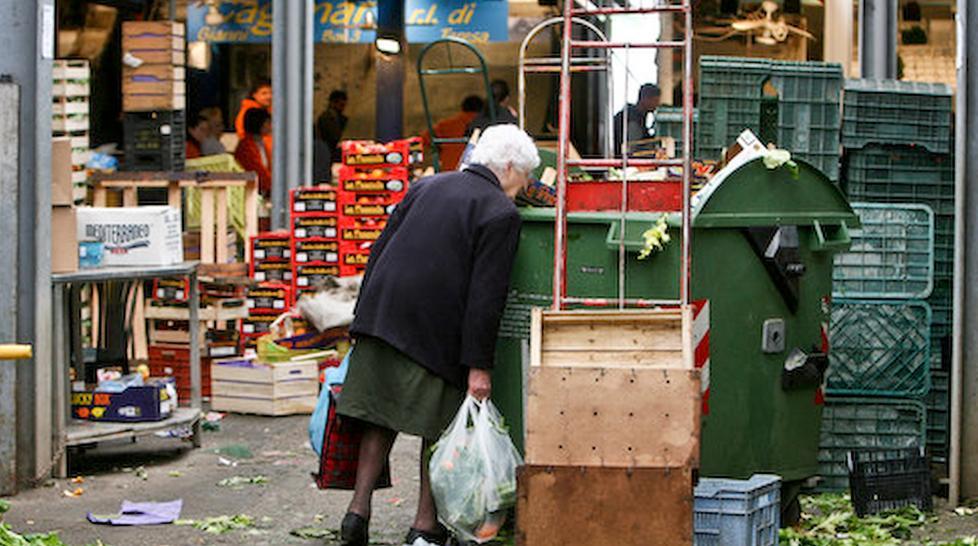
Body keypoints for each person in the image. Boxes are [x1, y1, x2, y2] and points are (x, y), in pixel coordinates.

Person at [335, 124, 540, 546]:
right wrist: (479, 367)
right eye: (524, 178)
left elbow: (379, 250)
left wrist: (362, 319)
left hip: (381, 315)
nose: (524, 188)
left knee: (378, 416)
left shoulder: (427, 186)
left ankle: (357, 514)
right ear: (507, 167)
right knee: (440, 429)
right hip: (433, 330)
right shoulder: (500, 214)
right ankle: (424, 528)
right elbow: (487, 298)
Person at [420, 94, 484, 171]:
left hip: (449, 171)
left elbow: (423, 140)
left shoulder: (446, 125)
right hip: (475, 173)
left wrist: (438, 149)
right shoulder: (486, 126)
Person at [613, 83, 661, 155]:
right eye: (655, 100)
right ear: (646, 99)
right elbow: (632, 148)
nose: (657, 104)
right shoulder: (632, 119)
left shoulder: (637, 116)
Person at [234, 108, 272, 196]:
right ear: (259, 124)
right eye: (268, 123)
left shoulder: (260, 142)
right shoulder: (247, 146)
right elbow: (257, 171)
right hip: (250, 191)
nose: (271, 126)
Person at [315, 89, 349, 175]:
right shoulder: (328, 118)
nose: (342, 108)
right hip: (328, 151)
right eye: (341, 105)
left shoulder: (333, 117)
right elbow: (334, 136)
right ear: (333, 103)